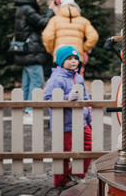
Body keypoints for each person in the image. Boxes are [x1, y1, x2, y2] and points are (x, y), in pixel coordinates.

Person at [44, 45, 92, 187]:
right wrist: (66, 98)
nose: (73, 61)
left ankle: (77, 174)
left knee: (88, 147)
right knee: (63, 153)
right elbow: (47, 99)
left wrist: (89, 114)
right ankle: (61, 180)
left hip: (81, 122)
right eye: (69, 59)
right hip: (64, 124)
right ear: (60, 61)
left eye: (75, 58)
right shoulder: (56, 79)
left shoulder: (78, 77)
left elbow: (86, 97)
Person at [14, 0, 57, 125]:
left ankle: (25, 111)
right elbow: (42, 23)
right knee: (37, 81)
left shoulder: (22, 8)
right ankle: (30, 111)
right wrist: (50, 11)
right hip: (32, 51)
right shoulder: (28, 9)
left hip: (25, 51)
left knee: (27, 83)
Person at [42, 0, 99, 77]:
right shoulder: (83, 21)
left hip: (59, 55)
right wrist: (83, 48)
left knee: (59, 80)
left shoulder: (54, 20)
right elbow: (93, 36)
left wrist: (52, 50)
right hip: (76, 55)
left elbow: (47, 37)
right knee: (74, 80)